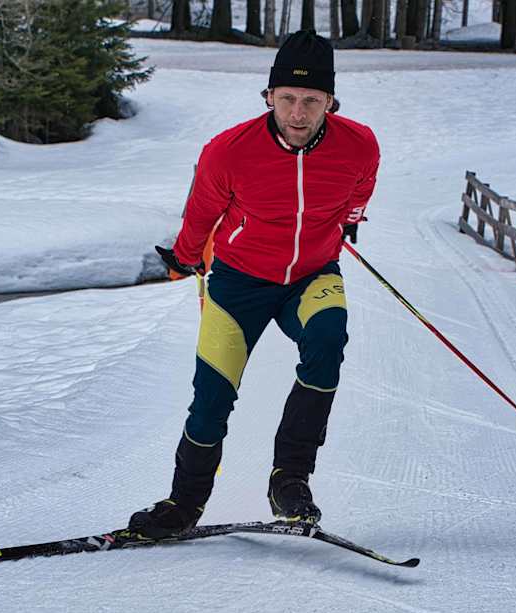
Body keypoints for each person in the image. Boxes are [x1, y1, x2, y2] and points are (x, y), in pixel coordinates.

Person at [128, 29, 381, 539]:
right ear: (268, 96)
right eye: (287, 98)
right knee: (213, 395)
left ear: (330, 101)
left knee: (328, 342)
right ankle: (183, 503)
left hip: (311, 275)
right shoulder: (229, 151)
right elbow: (201, 214)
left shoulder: (359, 144)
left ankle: (290, 479)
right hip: (239, 281)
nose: (297, 113)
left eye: (311, 100)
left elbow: (360, 191)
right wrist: (184, 258)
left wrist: (348, 222)